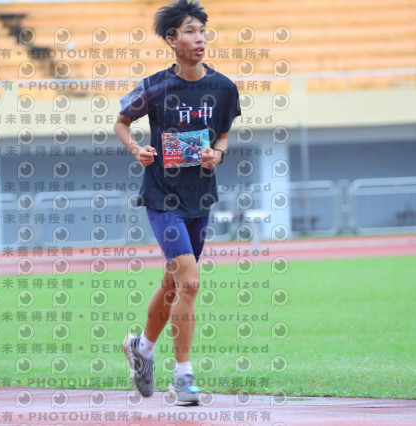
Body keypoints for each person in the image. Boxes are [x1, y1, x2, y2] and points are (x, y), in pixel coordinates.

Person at [114, 0, 240, 406]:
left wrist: (217, 154)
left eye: (202, 30)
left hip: (200, 196)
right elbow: (121, 122)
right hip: (162, 196)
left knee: (172, 283)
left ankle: (141, 348)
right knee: (190, 282)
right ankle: (183, 377)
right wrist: (137, 149)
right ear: (171, 40)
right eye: (189, 31)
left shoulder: (224, 88)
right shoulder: (154, 86)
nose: (199, 38)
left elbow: (223, 134)